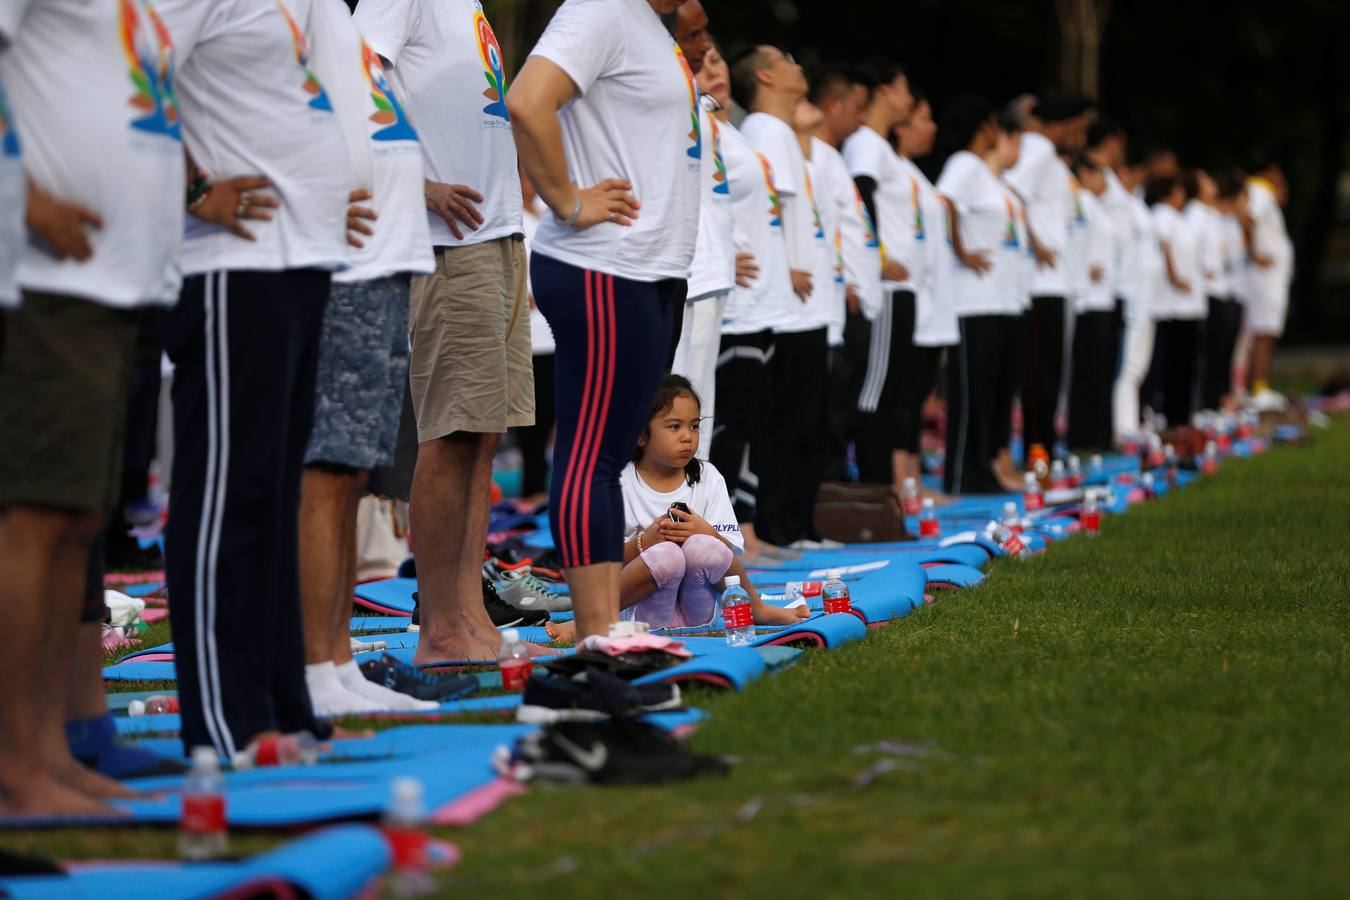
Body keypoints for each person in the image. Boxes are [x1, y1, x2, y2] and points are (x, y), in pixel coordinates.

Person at [0, 0, 188, 815]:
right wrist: (26, 198)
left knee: (77, 524)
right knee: (35, 523)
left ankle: (49, 749)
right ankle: (15, 764)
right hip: (50, 279)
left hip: (118, 280)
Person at [507, 0, 699, 642]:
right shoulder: (601, 10)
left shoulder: (645, 23)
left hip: (647, 269)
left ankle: (603, 626)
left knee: (611, 454)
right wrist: (565, 199)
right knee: (593, 455)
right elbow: (527, 98)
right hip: (604, 267)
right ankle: (597, 632)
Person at [355, 0, 533, 663]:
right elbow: (355, 73)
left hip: (497, 235)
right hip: (451, 241)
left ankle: (468, 612)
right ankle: (439, 627)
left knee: (482, 438)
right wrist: (416, 183)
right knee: (451, 432)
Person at [297, 0, 437, 716]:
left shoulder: (346, 34)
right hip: (345, 270)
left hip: (384, 266)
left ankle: (340, 658)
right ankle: (314, 665)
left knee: (352, 474)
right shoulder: (313, 20)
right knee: (326, 472)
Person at [547, 376, 809, 642]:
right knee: (667, 555)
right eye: (674, 427)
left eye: (694, 426)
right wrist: (644, 542)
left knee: (705, 547)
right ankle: (592, 621)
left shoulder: (709, 476)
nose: (688, 437)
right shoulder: (620, 481)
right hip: (642, 614)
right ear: (640, 435)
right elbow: (604, 562)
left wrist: (706, 532)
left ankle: (759, 609)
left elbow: (728, 556)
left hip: (701, 616)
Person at [732, 44, 829, 550]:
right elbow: (774, 207)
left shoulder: (778, 132)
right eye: (788, 58)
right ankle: (775, 526)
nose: (799, 64)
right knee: (776, 422)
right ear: (766, 77)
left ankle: (788, 525)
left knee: (791, 420)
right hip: (781, 301)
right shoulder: (765, 130)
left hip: (793, 299)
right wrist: (791, 264)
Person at [697, 41, 790, 561]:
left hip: (757, 299)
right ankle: (727, 533)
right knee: (724, 420)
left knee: (749, 418)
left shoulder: (730, 131)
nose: (716, 70)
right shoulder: (700, 127)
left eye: (718, 60)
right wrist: (725, 253)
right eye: (702, 62)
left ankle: (744, 528)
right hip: (724, 298)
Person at [934, 96, 1023, 495]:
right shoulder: (964, 164)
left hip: (1000, 299)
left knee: (993, 392)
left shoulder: (988, 175)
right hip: (974, 300)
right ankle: (961, 473)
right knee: (972, 394)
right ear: (981, 128)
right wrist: (960, 248)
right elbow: (944, 202)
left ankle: (983, 466)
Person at [841, 59, 917, 489]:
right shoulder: (867, 144)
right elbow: (861, 196)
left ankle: (884, 488)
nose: (909, 99)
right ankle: (873, 489)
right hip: (885, 286)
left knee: (889, 391)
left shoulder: (880, 145)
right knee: (874, 392)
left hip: (898, 286)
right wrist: (878, 254)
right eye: (905, 88)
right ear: (885, 91)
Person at [1005, 91, 1092, 452]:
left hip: (1056, 282)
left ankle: (1043, 448)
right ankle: (1036, 449)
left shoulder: (1051, 157)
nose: (1082, 136)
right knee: (1040, 373)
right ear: (1067, 123)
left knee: (1051, 372)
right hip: (1039, 282)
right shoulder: (1037, 149)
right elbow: (1010, 190)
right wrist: (1035, 239)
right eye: (1081, 127)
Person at [671, 0, 740, 449]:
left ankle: (692, 511)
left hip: (710, 267)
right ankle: (662, 516)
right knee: (675, 409)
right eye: (693, 37)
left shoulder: (700, 104)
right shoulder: (658, 90)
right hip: (682, 269)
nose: (703, 48)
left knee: (700, 412)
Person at [810, 64, 877, 483]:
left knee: (844, 405)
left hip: (853, 295)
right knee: (831, 408)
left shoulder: (830, 156)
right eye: (856, 107)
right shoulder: (812, 156)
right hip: (837, 296)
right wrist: (844, 276)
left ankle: (836, 485)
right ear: (831, 106)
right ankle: (831, 488)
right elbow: (821, 224)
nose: (862, 117)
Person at [893, 89, 953, 494]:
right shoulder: (891, 170)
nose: (932, 128)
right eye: (925, 118)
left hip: (932, 301)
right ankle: (901, 481)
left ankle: (912, 477)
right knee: (901, 391)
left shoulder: (915, 173)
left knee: (915, 393)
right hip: (907, 294)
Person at [1065, 154, 1118, 452]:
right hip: (1087, 297)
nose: (1105, 182)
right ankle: (1082, 436)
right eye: (1099, 173)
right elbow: (1072, 240)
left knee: (1100, 370)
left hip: (1103, 297)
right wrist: (1083, 269)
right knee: (1086, 370)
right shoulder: (1079, 200)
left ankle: (1098, 434)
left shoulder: (1097, 205)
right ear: (1084, 173)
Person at [1112, 143, 1165, 443]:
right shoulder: (1119, 204)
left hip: (1149, 296)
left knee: (1139, 365)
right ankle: (1124, 426)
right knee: (1129, 365)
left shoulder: (1136, 203)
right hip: (1133, 293)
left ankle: (1130, 420)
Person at [1149, 172, 1204, 428]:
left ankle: (1182, 413)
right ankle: (1172, 412)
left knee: (1186, 364)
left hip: (1189, 304)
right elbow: (1164, 245)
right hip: (1174, 303)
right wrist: (1175, 276)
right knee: (1174, 363)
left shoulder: (1177, 217)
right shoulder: (1162, 214)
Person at [514, 169, 555, 502]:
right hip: (529, 335)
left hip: (555, 333)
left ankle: (546, 487)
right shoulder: (513, 216)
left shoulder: (546, 211)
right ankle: (532, 487)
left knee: (553, 414)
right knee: (532, 419)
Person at [1241, 154, 1294, 411]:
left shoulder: (1263, 193)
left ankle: (1259, 386)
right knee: (1263, 332)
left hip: (1270, 276)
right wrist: (1253, 252)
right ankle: (1257, 388)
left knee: (1266, 331)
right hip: (1264, 276)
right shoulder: (1259, 192)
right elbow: (1246, 218)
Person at [1203, 168, 1247, 411]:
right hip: (1214, 293)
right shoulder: (1208, 219)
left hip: (1231, 292)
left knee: (1226, 353)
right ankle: (1211, 402)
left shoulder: (1231, 224)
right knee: (1214, 353)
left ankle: (1223, 398)